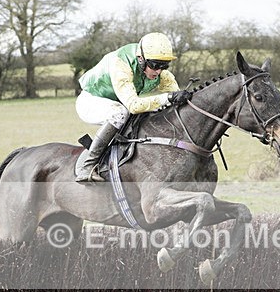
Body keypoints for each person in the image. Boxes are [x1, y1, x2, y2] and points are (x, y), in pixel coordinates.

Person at [74, 32, 192, 183]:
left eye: (164, 66)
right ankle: (87, 166)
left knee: (148, 113)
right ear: (141, 59)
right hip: (90, 101)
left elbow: (176, 99)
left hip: (118, 102)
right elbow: (134, 106)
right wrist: (167, 98)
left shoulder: (161, 73)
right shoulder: (121, 64)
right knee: (120, 113)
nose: (158, 71)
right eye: (155, 65)